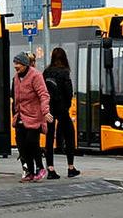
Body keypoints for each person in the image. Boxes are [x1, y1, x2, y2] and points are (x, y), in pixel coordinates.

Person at [12, 52, 49, 182]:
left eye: (18, 64)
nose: (16, 66)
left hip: (34, 116)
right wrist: (15, 114)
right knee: (21, 145)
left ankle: (40, 168)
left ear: (25, 64)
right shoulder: (16, 78)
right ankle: (29, 172)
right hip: (20, 116)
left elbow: (43, 95)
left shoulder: (35, 76)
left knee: (31, 142)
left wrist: (45, 111)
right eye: (15, 63)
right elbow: (15, 97)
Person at [42, 46, 79, 179]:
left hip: (49, 108)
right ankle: (70, 167)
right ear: (64, 58)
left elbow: (42, 90)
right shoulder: (64, 72)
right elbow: (68, 92)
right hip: (62, 109)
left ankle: (50, 169)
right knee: (69, 135)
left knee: (49, 138)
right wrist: (67, 106)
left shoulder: (46, 72)